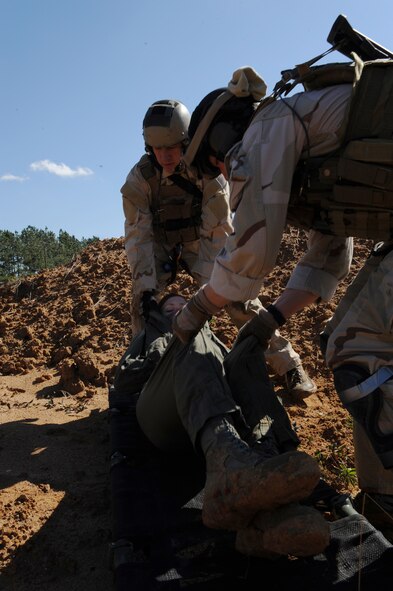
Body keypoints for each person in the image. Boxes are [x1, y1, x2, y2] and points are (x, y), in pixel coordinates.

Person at [171, 61, 393, 541]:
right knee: (354, 340)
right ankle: (381, 502)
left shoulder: (266, 128)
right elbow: (329, 254)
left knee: (356, 349)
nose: (224, 172)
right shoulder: (308, 132)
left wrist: (196, 308)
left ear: (223, 137)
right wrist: (270, 318)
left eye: (215, 162)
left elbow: (251, 249)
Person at [113, 293, 343, 558]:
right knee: (192, 328)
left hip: (214, 413)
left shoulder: (210, 338)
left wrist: (258, 332)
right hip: (162, 415)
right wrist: (168, 344)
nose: (177, 310)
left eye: (182, 306)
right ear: (158, 316)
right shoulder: (148, 336)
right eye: (170, 309)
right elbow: (124, 381)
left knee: (247, 351)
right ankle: (228, 465)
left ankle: (266, 509)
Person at [121, 98, 316, 396]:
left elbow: (218, 231)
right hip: (159, 242)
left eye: (172, 147)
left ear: (186, 142)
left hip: (202, 239)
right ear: (149, 147)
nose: (165, 155)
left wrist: (217, 287)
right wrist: (147, 286)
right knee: (143, 305)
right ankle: (144, 376)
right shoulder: (139, 180)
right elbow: (139, 236)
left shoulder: (208, 173)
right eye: (158, 149)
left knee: (238, 297)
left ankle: (288, 365)